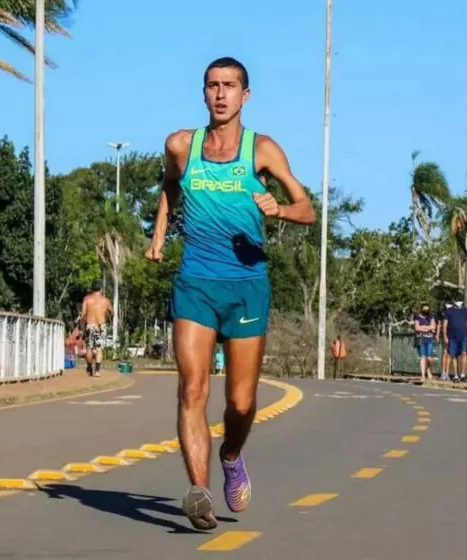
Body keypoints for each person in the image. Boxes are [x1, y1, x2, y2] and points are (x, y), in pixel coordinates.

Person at [145, 56, 316, 531]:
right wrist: (160, 233)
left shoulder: (262, 150)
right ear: (203, 93)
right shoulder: (182, 145)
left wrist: (277, 209)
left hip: (247, 286)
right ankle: (198, 492)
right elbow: (170, 185)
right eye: (213, 86)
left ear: (246, 95)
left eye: (230, 86)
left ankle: (232, 453)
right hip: (196, 281)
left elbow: (308, 210)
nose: (221, 94)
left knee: (241, 404)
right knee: (192, 390)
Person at [77, 281, 113, 377]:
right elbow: (112, 313)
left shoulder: (87, 299)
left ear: (92, 289)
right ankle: (97, 370)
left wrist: (81, 328)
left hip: (90, 325)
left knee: (89, 348)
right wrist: (107, 315)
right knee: (99, 349)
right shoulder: (106, 300)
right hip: (101, 325)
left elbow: (83, 314)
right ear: (101, 289)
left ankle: (89, 367)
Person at [443, 298, 467, 382]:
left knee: (464, 353)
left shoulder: (466, 311)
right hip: (452, 337)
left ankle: (462, 374)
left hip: (463, 336)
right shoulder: (448, 311)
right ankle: (456, 375)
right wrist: (445, 335)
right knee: (453, 355)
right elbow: (445, 325)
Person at [413, 304, 435, 382]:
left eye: (427, 309)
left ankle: (429, 370)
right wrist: (427, 328)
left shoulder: (431, 317)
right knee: (422, 357)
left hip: (429, 338)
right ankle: (423, 375)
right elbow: (417, 328)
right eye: (424, 309)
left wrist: (423, 327)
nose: (426, 310)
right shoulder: (417, 317)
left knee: (429, 358)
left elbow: (433, 327)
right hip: (420, 339)